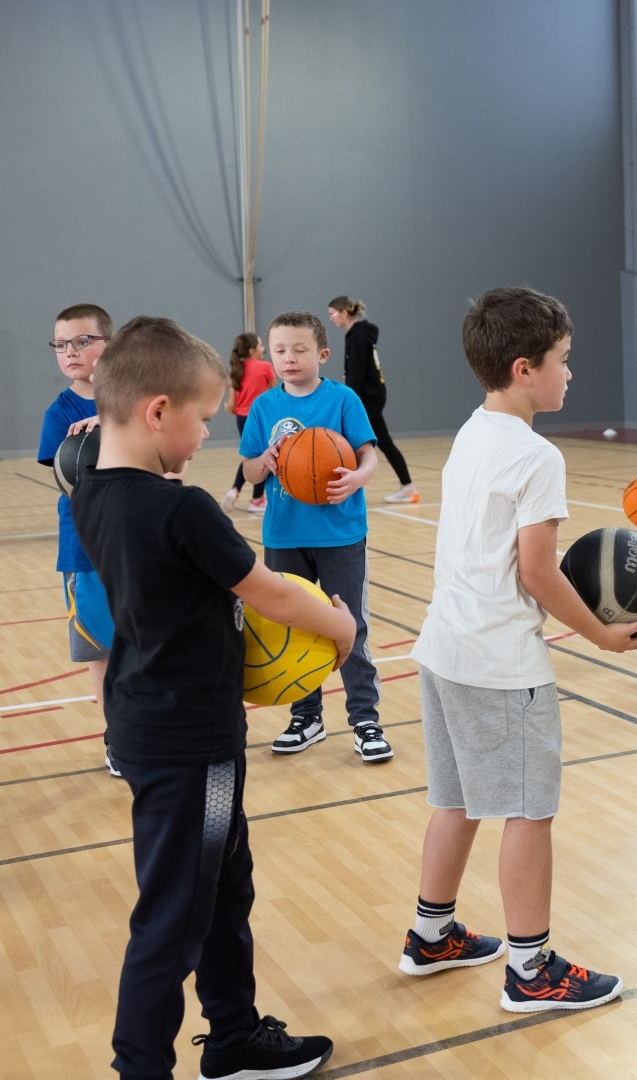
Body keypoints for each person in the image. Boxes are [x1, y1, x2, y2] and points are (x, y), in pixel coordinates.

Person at [73, 315, 354, 1080]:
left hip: (146, 723)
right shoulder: (181, 509)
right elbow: (271, 594)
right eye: (201, 419)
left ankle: (232, 1038)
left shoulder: (91, 493)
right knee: (174, 917)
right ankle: (141, 1068)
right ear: (157, 410)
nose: (207, 437)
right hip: (192, 742)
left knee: (226, 887)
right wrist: (342, 624)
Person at [401, 286, 637, 1012]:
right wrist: (602, 633)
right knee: (528, 811)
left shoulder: (472, 429)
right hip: (499, 663)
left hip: (444, 647)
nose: (570, 373)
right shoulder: (537, 457)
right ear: (522, 369)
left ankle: (431, 933)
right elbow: (538, 571)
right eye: (563, 361)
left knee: (456, 801)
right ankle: (531, 970)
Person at [239, 311, 393, 764]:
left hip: (340, 533)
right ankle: (307, 717)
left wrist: (356, 480)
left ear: (322, 354)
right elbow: (249, 471)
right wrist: (264, 462)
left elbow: (369, 456)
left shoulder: (343, 399)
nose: (289, 358)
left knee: (353, 627)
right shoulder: (265, 407)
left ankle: (365, 719)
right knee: (294, 627)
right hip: (284, 536)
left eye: (300, 349)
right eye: (280, 350)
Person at [39, 303, 117, 776]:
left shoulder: (133, 402)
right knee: (102, 651)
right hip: (86, 550)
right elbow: (70, 475)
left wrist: (113, 422)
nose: (70, 352)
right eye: (60, 344)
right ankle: (118, 738)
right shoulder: (60, 412)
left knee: (146, 644)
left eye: (81, 341)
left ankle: (150, 728)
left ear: (109, 343)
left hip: (140, 544)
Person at [328, 296, 417, 503]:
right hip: (372, 397)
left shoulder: (358, 336)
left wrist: (349, 402)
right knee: (384, 442)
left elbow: (356, 374)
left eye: (332, 314)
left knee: (350, 443)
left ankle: (348, 489)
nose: (331, 319)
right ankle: (408, 487)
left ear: (343, 313)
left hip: (367, 398)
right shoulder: (358, 334)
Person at [221, 332, 275, 513]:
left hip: (242, 419)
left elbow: (231, 406)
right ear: (252, 350)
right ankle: (257, 499)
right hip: (260, 418)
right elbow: (276, 393)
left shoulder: (237, 370)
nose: (263, 349)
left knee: (251, 456)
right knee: (262, 457)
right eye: (261, 346)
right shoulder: (265, 367)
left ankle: (234, 490)